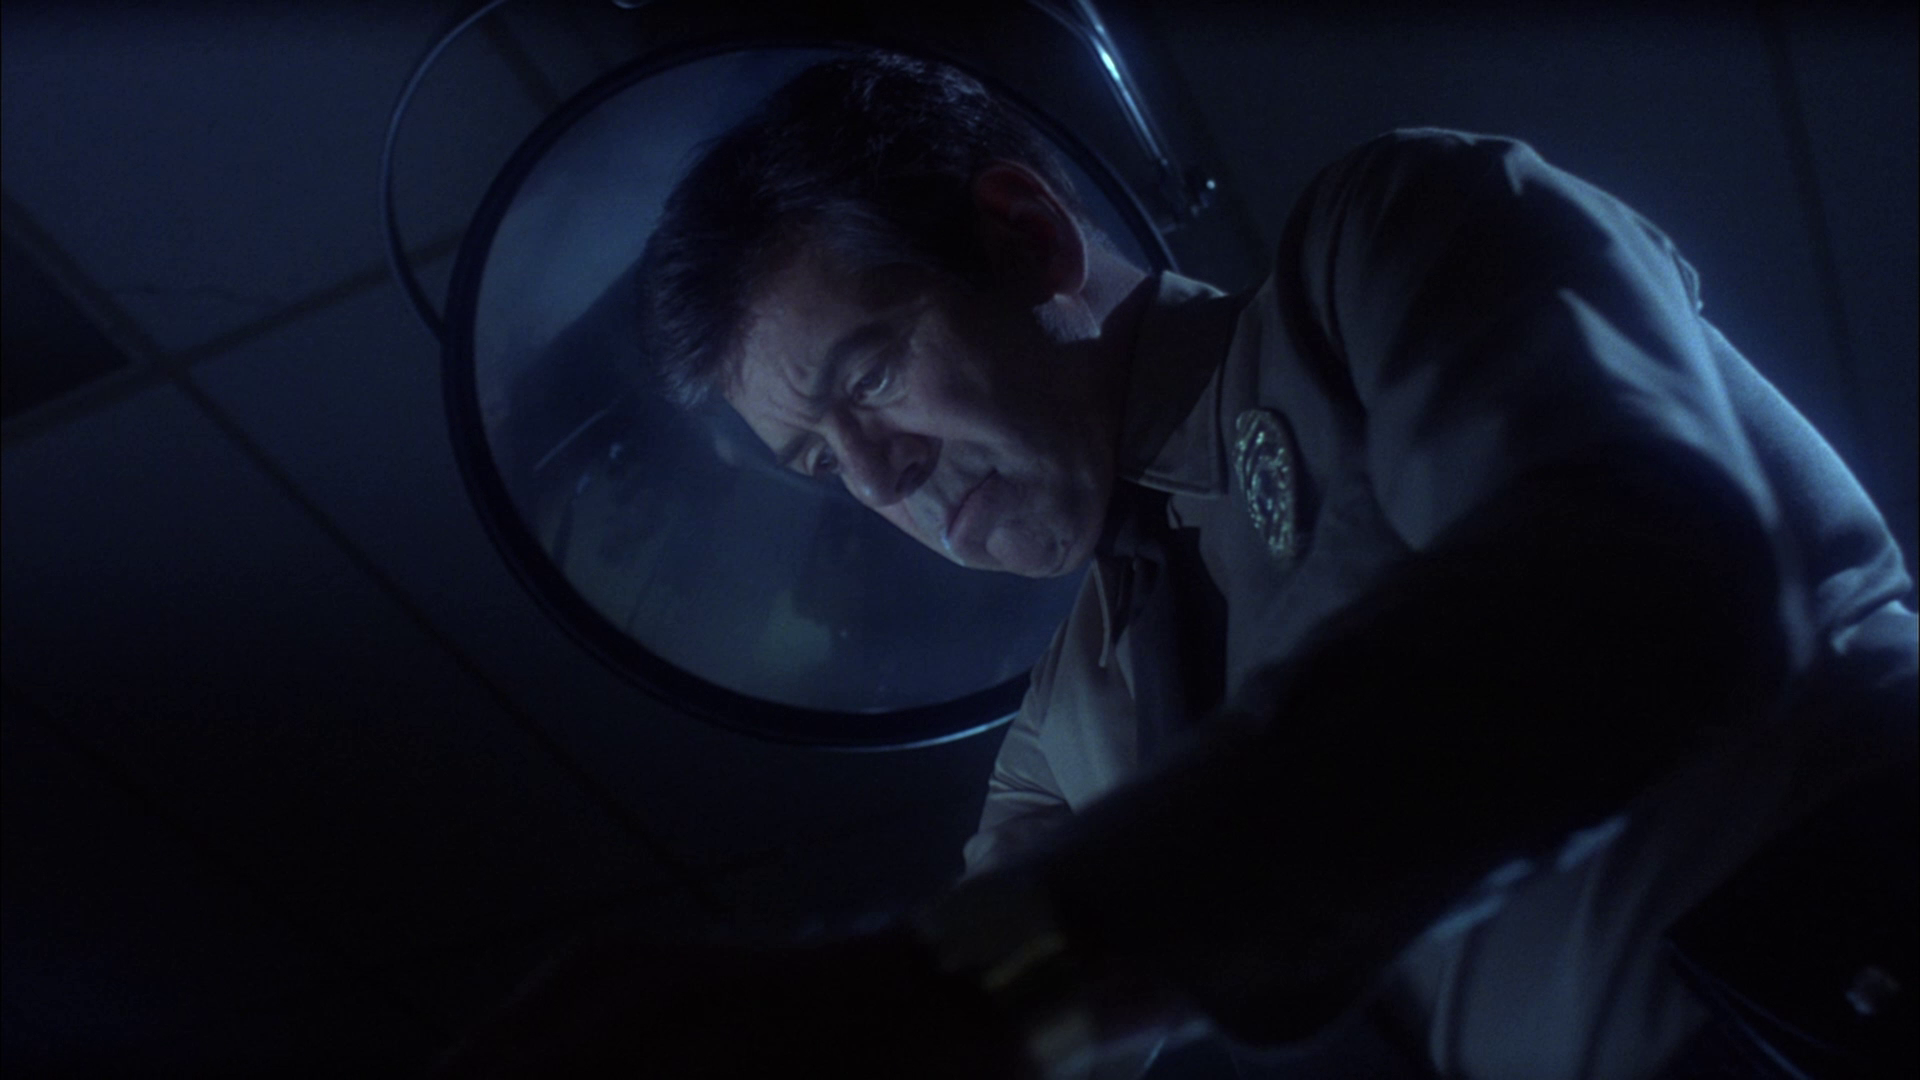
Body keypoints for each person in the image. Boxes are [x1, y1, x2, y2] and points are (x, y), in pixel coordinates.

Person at [440, 52, 1917, 1079]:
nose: (876, 481)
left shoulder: (1383, 240)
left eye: (871, 376)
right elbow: (995, 1032)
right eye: (820, 463)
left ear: (1024, 237)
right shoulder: (1055, 741)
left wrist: (933, 991)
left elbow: (1639, 579)